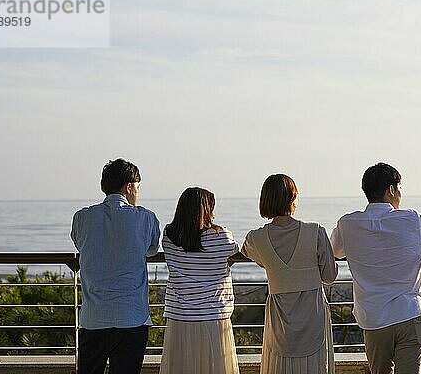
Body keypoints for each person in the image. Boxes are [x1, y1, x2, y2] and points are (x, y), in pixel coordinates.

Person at [330, 162, 421, 374]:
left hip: (373, 319)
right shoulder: (411, 219)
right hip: (409, 314)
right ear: (391, 189)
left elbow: (335, 252)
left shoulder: (347, 224)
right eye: (400, 188)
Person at [71, 158, 161, 374]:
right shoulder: (146, 218)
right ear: (129, 187)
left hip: (93, 319)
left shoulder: (82, 217)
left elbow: (79, 243)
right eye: (138, 188)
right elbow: (152, 250)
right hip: (132, 318)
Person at [241, 174, 338, 374]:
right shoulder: (316, 231)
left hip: (279, 317)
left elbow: (256, 258)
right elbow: (329, 276)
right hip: (313, 315)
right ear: (292, 199)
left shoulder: (255, 238)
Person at [160, 187, 240, 374]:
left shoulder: (169, 236)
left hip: (179, 317)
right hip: (213, 317)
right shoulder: (221, 237)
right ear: (207, 210)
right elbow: (233, 253)